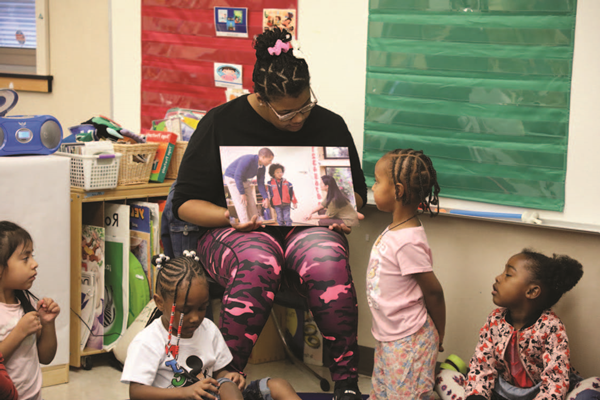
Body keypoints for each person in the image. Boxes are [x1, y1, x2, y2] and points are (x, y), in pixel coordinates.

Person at [172, 27, 368, 400]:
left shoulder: (329, 123)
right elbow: (185, 204)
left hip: (305, 228)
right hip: (234, 231)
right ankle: (227, 379)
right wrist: (230, 217)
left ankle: (347, 385)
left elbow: (355, 191)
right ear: (260, 97)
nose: (299, 119)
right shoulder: (220, 122)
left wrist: (342, 209)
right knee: (259, 259)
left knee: (327, 258)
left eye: (306, 106)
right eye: (287, 113)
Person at [121, 253, 300, 400]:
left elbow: (220, 372)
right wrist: (184, 392)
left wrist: (230, 376)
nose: (195, 318)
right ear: (160, 303)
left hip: (212, 395)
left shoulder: (208, 329)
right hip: (180, 397)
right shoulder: (148, 341)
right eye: (185, 310)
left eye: (202, 308)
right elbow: (136, 393)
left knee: (278, 386)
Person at [435, 250, 600, 400]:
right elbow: (482, 364)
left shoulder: (552, 327)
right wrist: (477, 396)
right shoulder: (495, 320)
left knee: (593, 385)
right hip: (503, 390)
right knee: (443, 376)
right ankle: (458, 371)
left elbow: (555, 379)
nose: (498, 278)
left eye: (508, 274)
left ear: (531, 291)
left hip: (540, 392)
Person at [367, 149, 446, 399]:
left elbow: (434, 291)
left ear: (398, 190)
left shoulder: (408, 241)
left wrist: (439, 332)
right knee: (381, 392)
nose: (372, 186)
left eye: (378, 181)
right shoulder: (396, 230)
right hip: (390, 335)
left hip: (409, 338)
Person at [0, 221, 60, 400]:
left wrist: (48, 323)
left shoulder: (23, 303)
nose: (34, 264)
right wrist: (19, 332)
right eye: (25, 258)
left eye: (32, 256)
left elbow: (45, 357)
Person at [223, 148, 274, 224]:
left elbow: (260, 183)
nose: (270, 163)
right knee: (242, 203)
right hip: (232, 177)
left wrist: (265, 197)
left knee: (252, 204)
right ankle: (245, 224)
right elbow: (237, 176)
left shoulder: (262, 167)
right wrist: (242, 193)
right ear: (263, 157)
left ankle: (256, 224)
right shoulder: (248, 159)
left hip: (243, 179)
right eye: (269, 160)